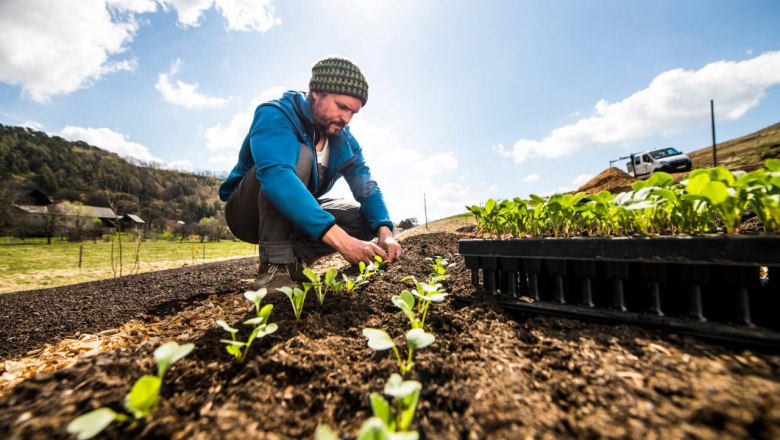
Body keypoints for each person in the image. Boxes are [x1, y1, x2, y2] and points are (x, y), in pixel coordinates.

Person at [219, 56, 402, 290]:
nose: (346, 119)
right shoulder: (275, 114)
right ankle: (274, 268)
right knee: (301, 155)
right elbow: (277, 176)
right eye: (342, 106)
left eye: (353, 113)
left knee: (367, 219)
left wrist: (385, 231)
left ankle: (294, 261)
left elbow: (366, 188)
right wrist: (344, 243)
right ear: (316, 93)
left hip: (294, 215)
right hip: (247, 213)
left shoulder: (344, 142)